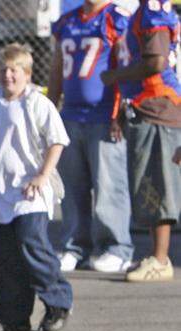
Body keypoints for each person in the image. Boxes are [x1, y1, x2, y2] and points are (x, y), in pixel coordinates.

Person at [0, 44, 74, 331]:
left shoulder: (37, 102)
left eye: (14, 69)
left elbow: (57, 141)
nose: (8, 75)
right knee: (5, 258)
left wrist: (42, 176)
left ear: (27, 74)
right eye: (3, 69)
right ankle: (13, 315)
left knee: (32, 246)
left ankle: (58, 303)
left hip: (29, 196)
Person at [49, 0, 134, 274]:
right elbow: (57, 66)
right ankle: (75, 245)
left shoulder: (114, 17)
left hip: (103, 115)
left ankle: (116, 247)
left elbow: (126, 63)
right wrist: (50, 108)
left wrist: (120, 110)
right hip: (71, 115)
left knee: (109, 186)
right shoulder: (68, 20)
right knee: (73, 186)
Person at [102, 0, 181, 281]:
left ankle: (161, 258)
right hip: (147, 106)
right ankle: (156, 256)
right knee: (148, 183)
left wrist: (116, 75)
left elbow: (156, 62)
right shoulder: (148, 9)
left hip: (158, 107)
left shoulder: (152, 10)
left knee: (156, 184)